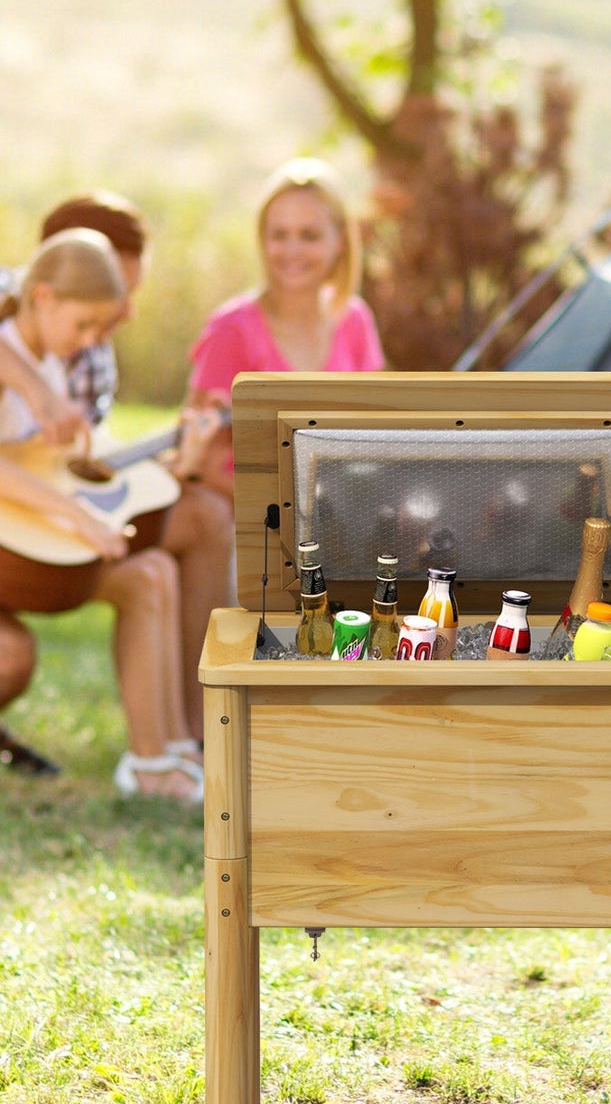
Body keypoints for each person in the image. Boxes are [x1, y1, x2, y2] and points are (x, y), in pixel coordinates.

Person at [0, 230, 201, 801]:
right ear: (43, 298)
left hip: (26, 545)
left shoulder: (57, 362)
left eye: (100, 329)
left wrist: (178, 460)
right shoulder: (10, 354)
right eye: (83, 325)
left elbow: (58, 466)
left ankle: (160, 758)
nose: (90, 341)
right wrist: (79, 520)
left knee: (151, 574)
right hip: (13, 553)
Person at [184, 156, 385, 503]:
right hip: (250, 527)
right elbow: (199, 463)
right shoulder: (230, 329)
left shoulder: (355, 320)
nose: (292, 251)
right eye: (280, 235)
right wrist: (295, 517)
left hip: (341, 515)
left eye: (309, 235)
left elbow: (375, 435)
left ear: (340, 241)